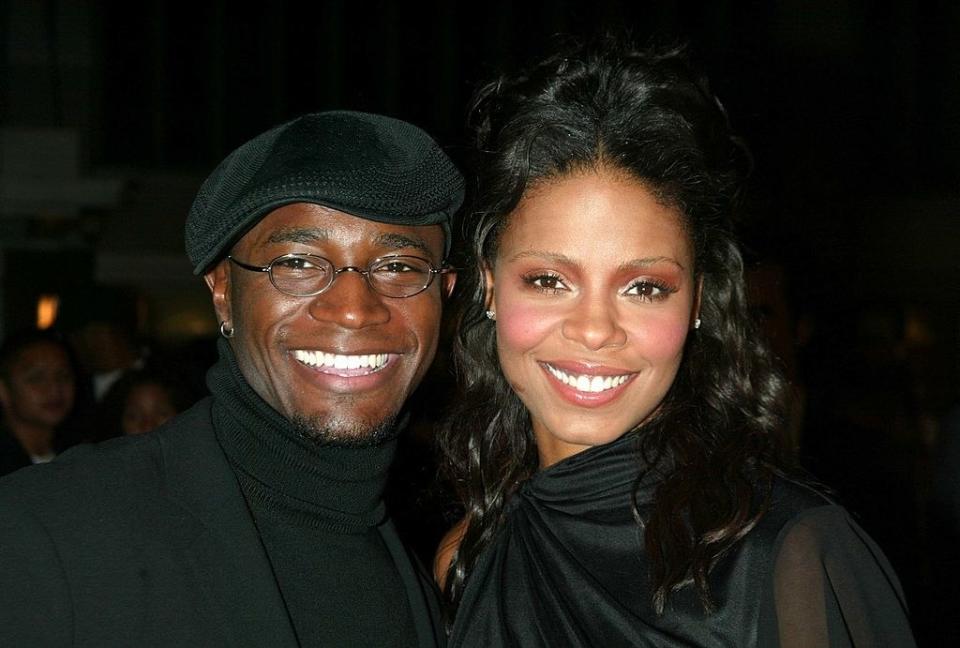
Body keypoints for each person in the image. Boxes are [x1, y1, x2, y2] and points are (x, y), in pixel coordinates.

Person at [434, 40, 916, 647]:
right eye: (548, 280)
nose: (594, 329)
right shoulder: (468, 557)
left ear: (696, 301)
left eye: (643, 286)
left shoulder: (790, 555)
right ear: (489, 286)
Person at [0, 110, 463, 647]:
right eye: (297, 262)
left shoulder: (434, 568)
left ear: (443, 293)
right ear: (223, 290)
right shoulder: (48, 531)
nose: (355, 309)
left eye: (398, 267)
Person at [0, 329, 77, 476]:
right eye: (36, 378)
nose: (55, 389)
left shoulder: (80, 455)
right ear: (3, 389)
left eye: (63, 376)